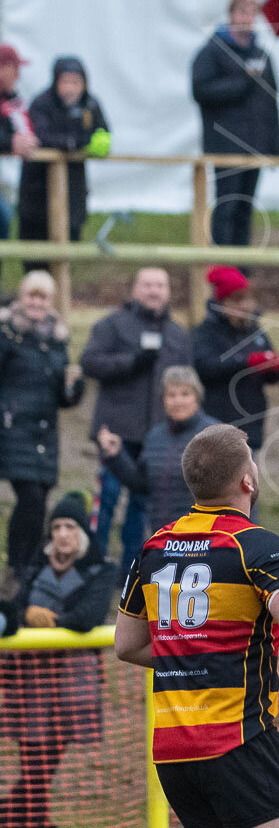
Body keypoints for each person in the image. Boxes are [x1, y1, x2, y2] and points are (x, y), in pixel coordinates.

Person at [114, 424, 279, 828]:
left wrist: (196, 655)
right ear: (248, 479)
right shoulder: (258, 546)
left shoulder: (155, 546)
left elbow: (126, 644)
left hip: (173, 754)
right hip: (239, 741)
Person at [0, 491, 115, 828]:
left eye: (70, 526)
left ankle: (14, 813)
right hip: (29, 678)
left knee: (47, 759)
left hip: (72, 681)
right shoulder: (36, 568)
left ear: (82, 531)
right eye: (57, 526)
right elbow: (17, 608)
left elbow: (89, 616)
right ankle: (36, 819)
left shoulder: (101, 570)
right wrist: (22, 615)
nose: (62, 533)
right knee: (32, 759)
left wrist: (48, 621)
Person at [80, 267, 192, 563]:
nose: (153, 291)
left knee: (142, 505)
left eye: (159, 285)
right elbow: (89, 362)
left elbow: (189, 382)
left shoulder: (178, 335)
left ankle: (132, 568)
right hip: (117, 430)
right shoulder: (112, 325)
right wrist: (131, 362)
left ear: (168, 291)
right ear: (135, 289)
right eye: (147, 285)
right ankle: (94, 563)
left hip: (160, 434)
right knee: (107, 500)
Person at [0, 271, 84, 574]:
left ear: (50, 302)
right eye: (31, 295)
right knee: (31, 497)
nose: (36, 302)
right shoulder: (7, 333)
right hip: (14, 428)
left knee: (38, 501)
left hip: (45, 433)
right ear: (21, 298)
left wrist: (75, 387)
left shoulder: (57, 339)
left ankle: (28, 567)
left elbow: (63, 399)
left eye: (43, 296)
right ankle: (18, 565)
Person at [191, 0, 279, 247]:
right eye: (241, 13)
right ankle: (220, 265)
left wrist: (276, 146)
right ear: (231, 15)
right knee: (227, 205)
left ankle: (240, 269)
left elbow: (271, 103)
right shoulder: (213, 52)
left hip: (255, 145)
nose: (246, 19)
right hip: (225, 145)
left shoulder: (261, 55)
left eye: (251, 14)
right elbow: (200, 91)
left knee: (246, 207)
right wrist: (242, 82)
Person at [96, 366, 215, 536]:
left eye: (185, 394)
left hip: (203, 535)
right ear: (163, 400)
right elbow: (141, 484)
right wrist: (116, 455)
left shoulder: (213, 434)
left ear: (197, 396)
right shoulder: (155, 435)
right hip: (162, 534)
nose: (178, 401)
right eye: (171, 395)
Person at [16, 56, 110, 267]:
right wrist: (73, 143)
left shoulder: (90, 104)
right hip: (38, 192)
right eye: (65, 82)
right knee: (36, 255)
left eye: (76, 82)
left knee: (68, 249)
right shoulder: (42, 104)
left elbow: (102, 130)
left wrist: (100, 141)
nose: (70, 88)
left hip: (73, 190)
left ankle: (61, 298)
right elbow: (41, 136)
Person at [191, 266, 279, 451]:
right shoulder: (205, 332)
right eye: (236, 300)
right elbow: (204, 367)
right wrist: (245, 362)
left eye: (246, 299)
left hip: (252, 422)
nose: (243, 305)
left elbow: (273, 371)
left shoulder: (255, 331)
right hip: (217, 421)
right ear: (222, 302)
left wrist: (275, 368)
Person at [0, 42, 39, 240]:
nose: (17, 75)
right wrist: (10, 143)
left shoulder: (12, 99)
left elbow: (21, 128)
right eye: (12, 69)